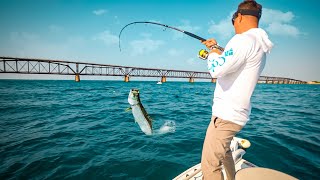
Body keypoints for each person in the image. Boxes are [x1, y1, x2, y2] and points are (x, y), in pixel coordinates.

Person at [200, 0, 273, 179]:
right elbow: (235, 61)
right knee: (224, 153)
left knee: (209, 166)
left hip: (225, 115)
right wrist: (217, 49)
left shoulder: (243, 40)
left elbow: (216, 70)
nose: (233, 27)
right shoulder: (258, 43)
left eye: (233, 21)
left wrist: (211, 52)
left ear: (238, 16)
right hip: (235, 115)